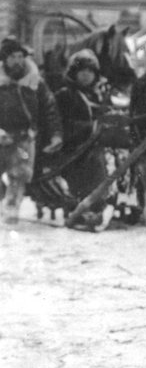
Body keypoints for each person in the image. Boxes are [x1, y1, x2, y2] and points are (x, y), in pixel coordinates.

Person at [0, 37, 63, 225]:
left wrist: (56, 134)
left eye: (20, 56)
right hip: (1, 135)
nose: (18, 61)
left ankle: (11, 212)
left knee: (19, 176)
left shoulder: (35, 81)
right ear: (4, 59)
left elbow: (50, 108)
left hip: (24, 137)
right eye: (13, 57)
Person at [53, 48, 110, 229]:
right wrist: (89, 128)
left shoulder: (99, 95)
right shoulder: (64, 95)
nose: (86, 75)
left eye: (90, 71)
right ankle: (89, 207)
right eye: (82, 71)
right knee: (94, 160)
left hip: (98, 142)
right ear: (74, 73)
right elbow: (59, 123)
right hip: (72, 147)